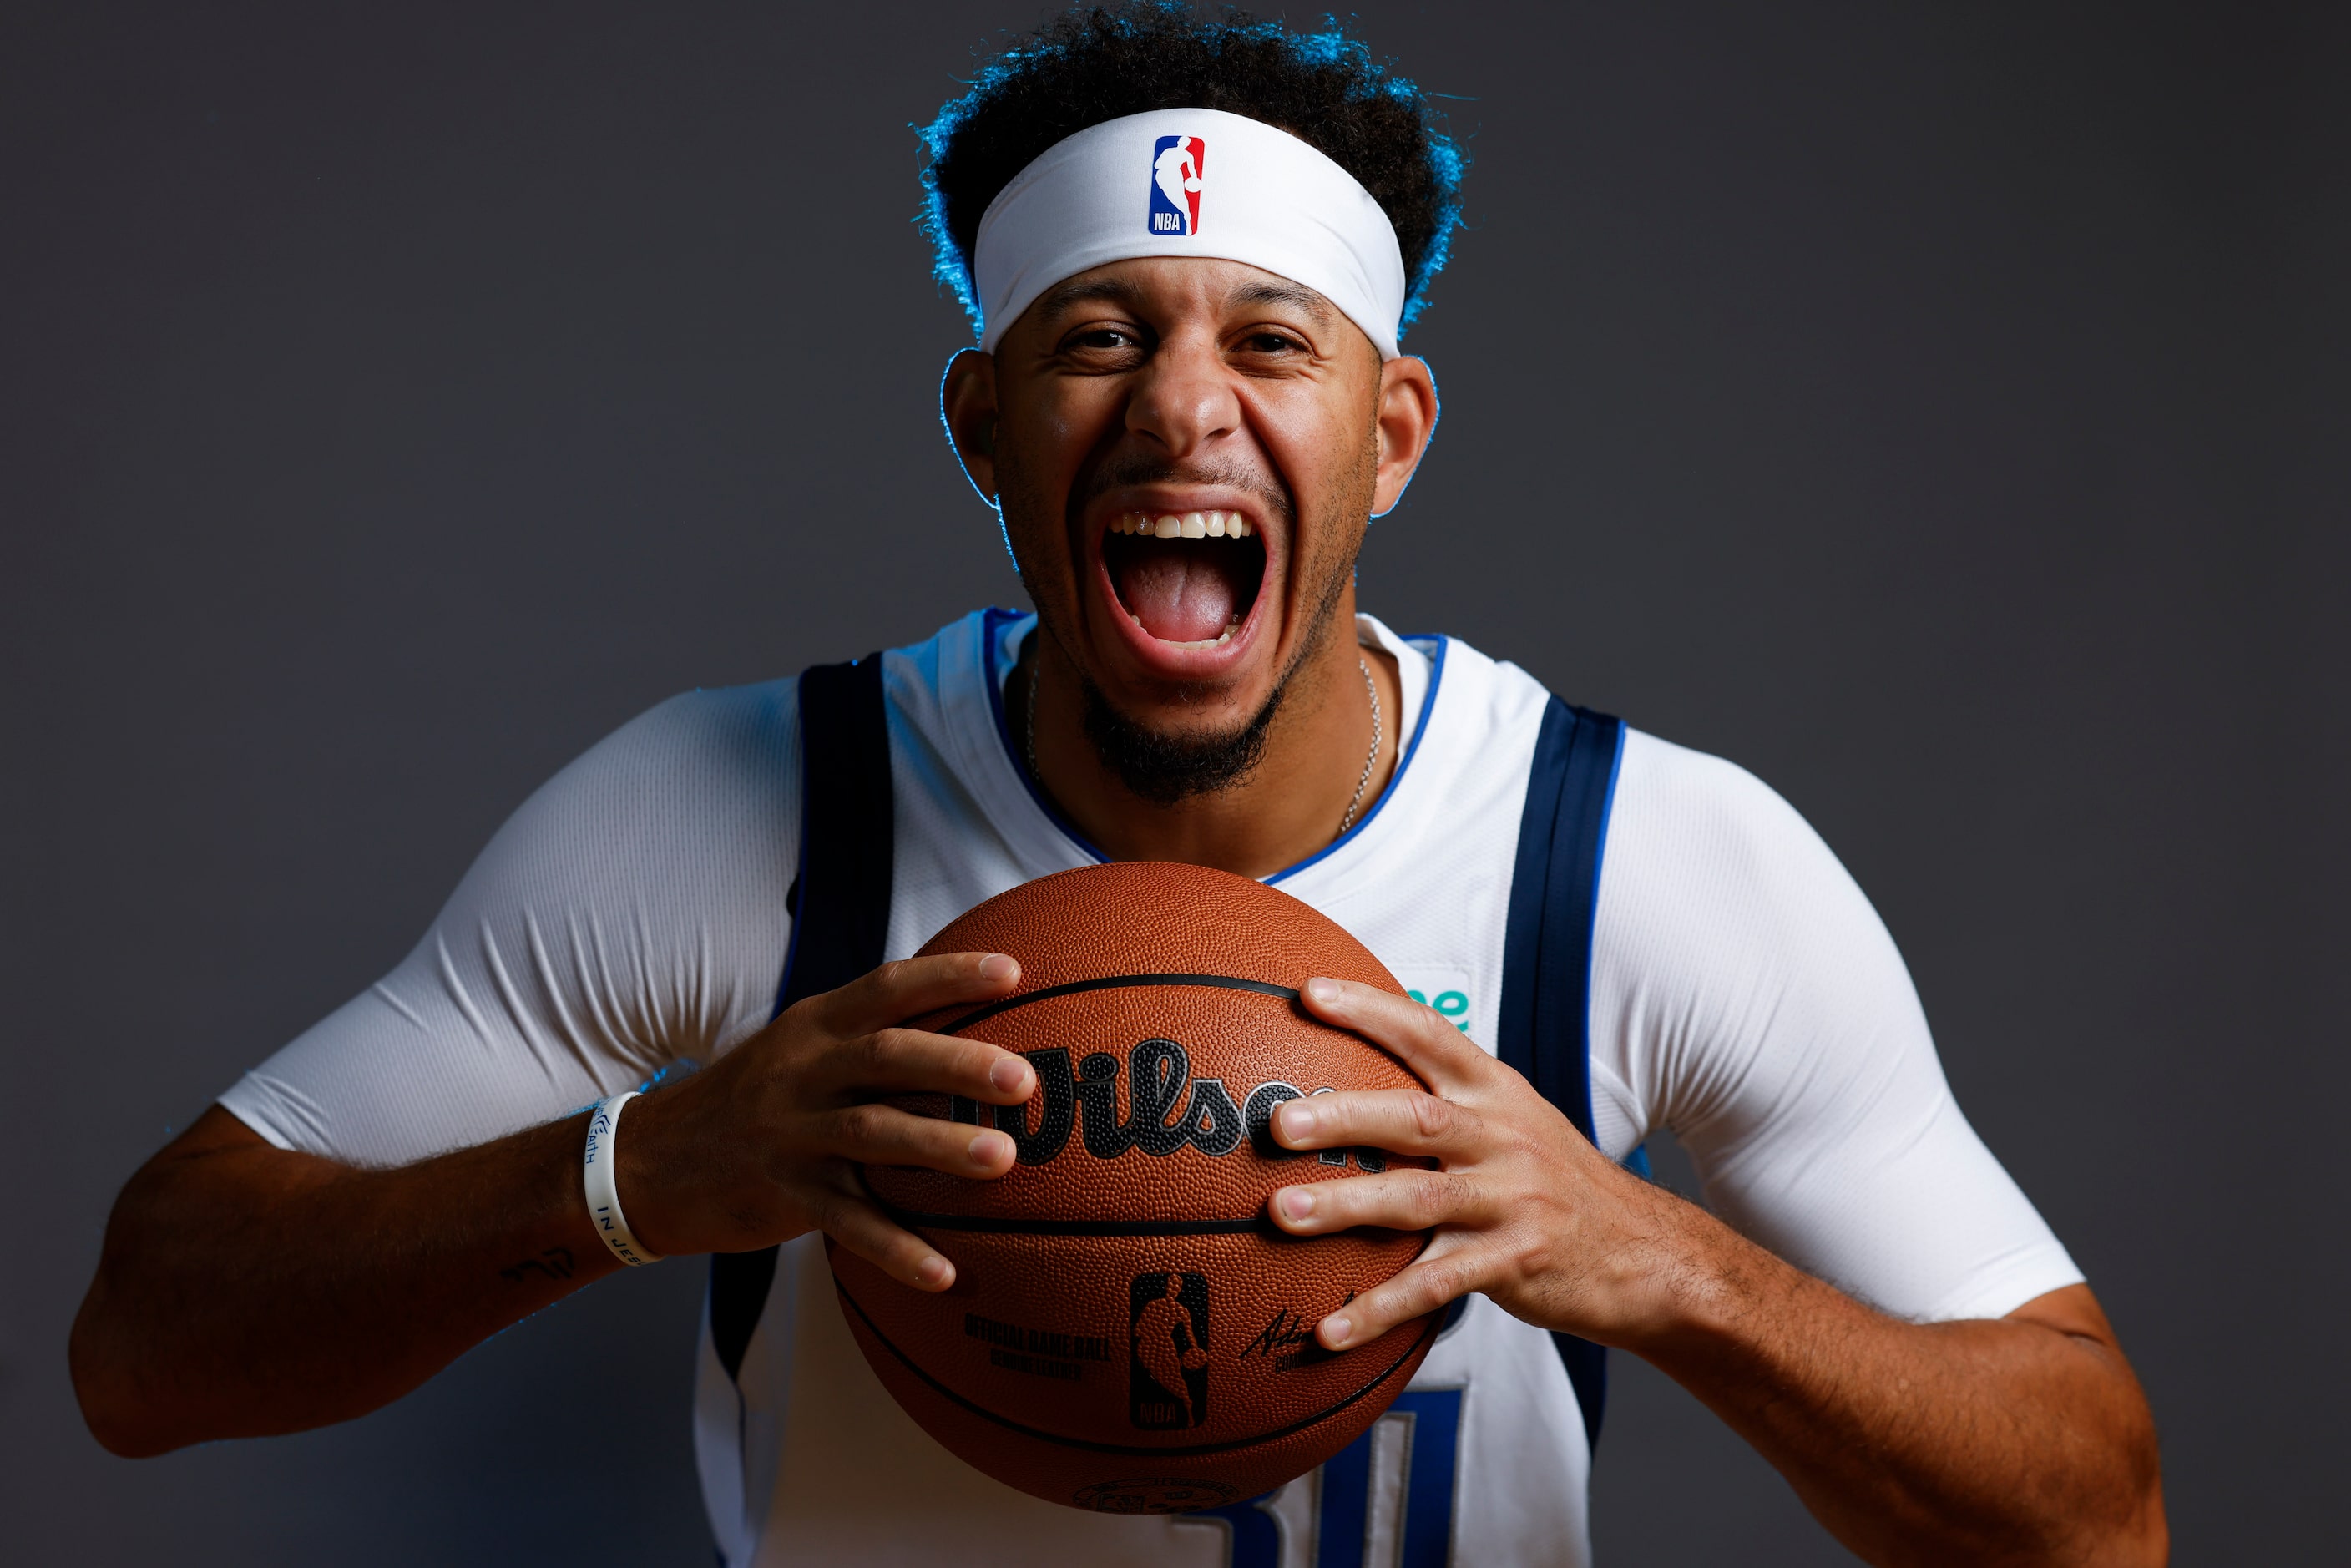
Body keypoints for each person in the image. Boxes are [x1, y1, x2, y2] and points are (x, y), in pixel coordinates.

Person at [68, 5, 2166, 1565]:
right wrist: (633, 1172)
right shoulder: (750, 815)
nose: (1181, 407)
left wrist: (1665, 1263)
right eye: (1096, 338)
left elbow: (2096, 1524)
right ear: (984, 425)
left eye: (1271, 343)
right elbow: (145, 1352)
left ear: (1392, 431)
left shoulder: (1624, 861)